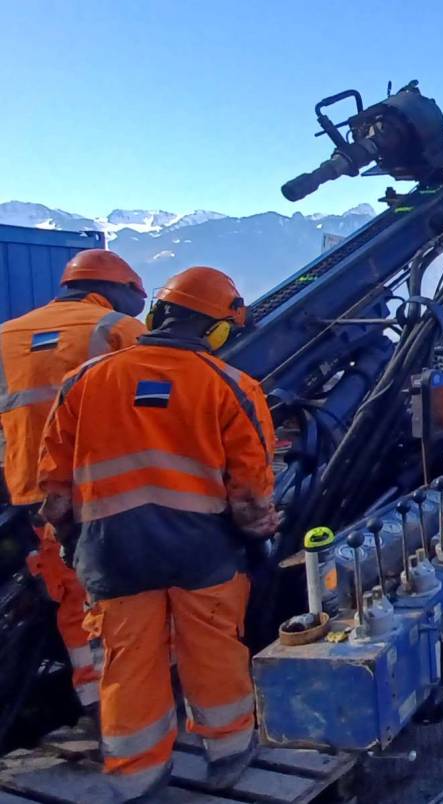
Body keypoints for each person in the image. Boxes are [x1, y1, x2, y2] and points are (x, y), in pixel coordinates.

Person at [38, 266, 280, 802]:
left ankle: (138, 775)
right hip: (204, 551)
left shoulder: (85, 380)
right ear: (217, 331)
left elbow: (54, 486)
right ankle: (228, 751)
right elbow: (251, 492)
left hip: (113, 552)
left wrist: (73, 538)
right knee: (213, 650)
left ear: (157, 315)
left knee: (127, 661)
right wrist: (257, 532)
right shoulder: (232, 386)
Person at [0, 249, 147, 712]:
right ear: (115, 292)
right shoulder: (119, 331)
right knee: (128, 595)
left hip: (36, 493)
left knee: (72, 594)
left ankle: (93, 695)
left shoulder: (5, 336)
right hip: (111, 489)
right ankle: (137, 694)